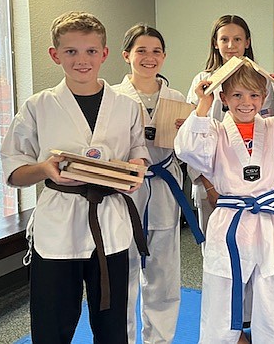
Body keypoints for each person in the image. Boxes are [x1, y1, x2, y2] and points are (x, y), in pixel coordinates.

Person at [0, 11, 151, 343]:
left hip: (109, 225)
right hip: (58, 227)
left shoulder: (126, 106)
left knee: (113, 326)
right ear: (55, 55)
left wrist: (137, 166)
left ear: (105, 53)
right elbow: (13, 171)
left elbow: (138, 149)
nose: (82, 60)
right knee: (52, 326)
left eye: (90, 51)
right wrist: (44, 169)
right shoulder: (37, 106)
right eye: (71, 51)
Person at [174, 61, 274, 343]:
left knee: (272, 295)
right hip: (230, 221)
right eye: (238, 95)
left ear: (264, 97)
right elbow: (186, 148)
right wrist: (202, 105)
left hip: (266, 221)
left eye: (254, 95)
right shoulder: (215, 131)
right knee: (222, 294)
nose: (247, 102)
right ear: (224, 98)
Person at [112, 23, 203, 344]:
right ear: (126, 56)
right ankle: (122, 338)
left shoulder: (177, 99)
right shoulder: (112, 98)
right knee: (123, 274)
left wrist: (189, 128)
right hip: (124, 193)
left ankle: (159, 341)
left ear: (164, 57)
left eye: (156, 51)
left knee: (163, 276)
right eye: (141, 51)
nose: (149, 58)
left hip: (164, 188)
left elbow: (190, 149)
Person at [186, 15, 274, 247]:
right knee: (215, 246)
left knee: (254, 247)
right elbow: (194, 140)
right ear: (215, 43)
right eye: (224, 39)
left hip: (252, 181)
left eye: (237, 39)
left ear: (247, 42)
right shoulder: (203, 81)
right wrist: (209, 185)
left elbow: (270, 135)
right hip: (211, 178)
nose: (230, 45)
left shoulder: (261, 80)